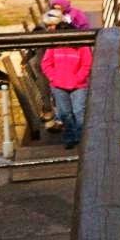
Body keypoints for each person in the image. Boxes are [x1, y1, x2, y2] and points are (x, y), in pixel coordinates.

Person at [40, 8, 93, 149]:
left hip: (78, 85)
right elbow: (46, 63)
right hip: (58, 85)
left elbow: (87, 63)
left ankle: (82, 138)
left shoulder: (81, 45)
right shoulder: (53, 46)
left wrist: (79, 78)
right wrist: (54, 77)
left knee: (79, 111)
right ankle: (70, 137)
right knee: (64, 113)